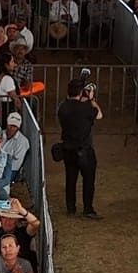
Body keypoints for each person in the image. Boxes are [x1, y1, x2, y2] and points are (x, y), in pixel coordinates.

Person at [55, 77, 102, 219]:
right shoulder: (86, 108)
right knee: (88, 180)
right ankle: (88, 209)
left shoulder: (62, 107)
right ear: (82, 92)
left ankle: (71, 208)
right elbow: (99, 115)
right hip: (85, 150)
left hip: (68, 149)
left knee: (71, 179)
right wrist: (92, 99)